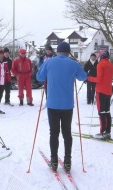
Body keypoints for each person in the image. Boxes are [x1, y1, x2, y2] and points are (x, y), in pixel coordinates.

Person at [36, 42, 87, 172]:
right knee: (67, 132)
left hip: (52, 103)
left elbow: (39, 77)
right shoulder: (73, 63)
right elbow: (83, 77)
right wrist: (78, 64)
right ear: (68, 52)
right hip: (67, 104)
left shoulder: (49, 62)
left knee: (54, 132)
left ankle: (53, 161)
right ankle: (68, 161)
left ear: (57, 51)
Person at [87, 50, 113, 139]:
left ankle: (102, 132)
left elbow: (99, 79)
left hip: (101, 91)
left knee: (101, 112)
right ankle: (108, 131)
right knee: (107, 112)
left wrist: (89, 78)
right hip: (108, 91)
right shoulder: (111, 65)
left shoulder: (100, 65)